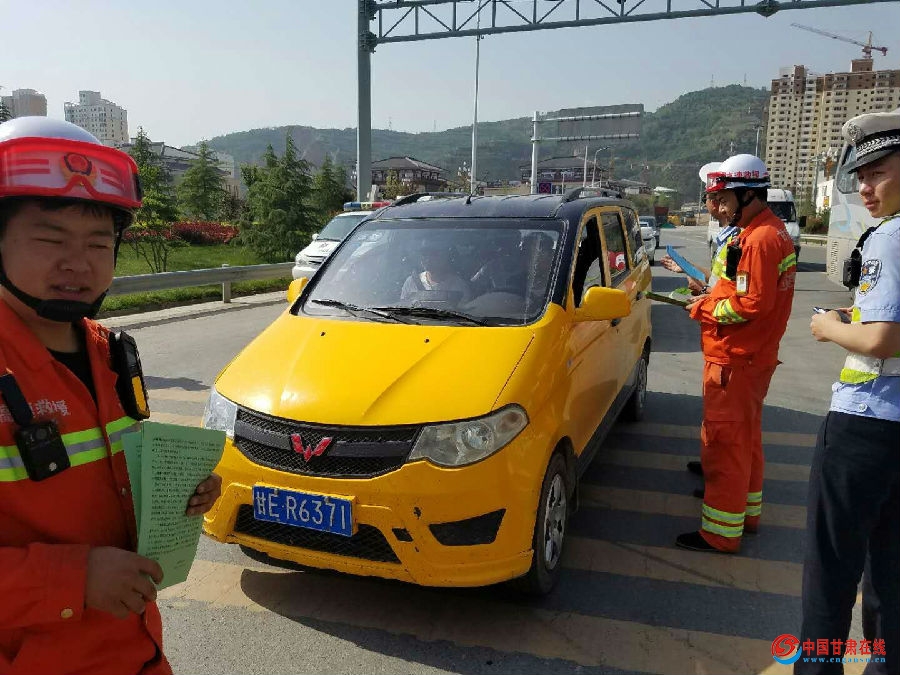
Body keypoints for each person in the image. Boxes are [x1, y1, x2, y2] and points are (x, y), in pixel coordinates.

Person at [0, 117, 221, 674]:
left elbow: (110, 481)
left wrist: (177, 495)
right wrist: (74, 578)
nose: (79, 263)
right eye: (50, 240)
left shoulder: (109, 355)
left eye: (99, 243)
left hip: (136, 652)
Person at [797, 110, 900, 675]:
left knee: (830, 577)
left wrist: (827, 327)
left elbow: (882, 338)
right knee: (891, 576)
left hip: (864, 426)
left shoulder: (890, 237)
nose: (865, 187)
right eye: (860, 175)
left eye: (878, 172)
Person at [675, 154, 797, 554]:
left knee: (726, 443)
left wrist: (702, 308)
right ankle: (746, 514)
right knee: (746, 440)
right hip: (753, 357)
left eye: (724, 200)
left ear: (748, 195)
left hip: (735, 359)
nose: (719, 208)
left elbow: (748, 305)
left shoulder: (758, 240)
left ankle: (720, 533)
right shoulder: (770, 232)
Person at [400, 243, 472, 305]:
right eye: (424, 254)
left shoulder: (458, 285)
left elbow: (465, 312)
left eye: (433, 254)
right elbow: (403, 308)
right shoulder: (411, 282)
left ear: (445, 257)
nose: (427, 258)